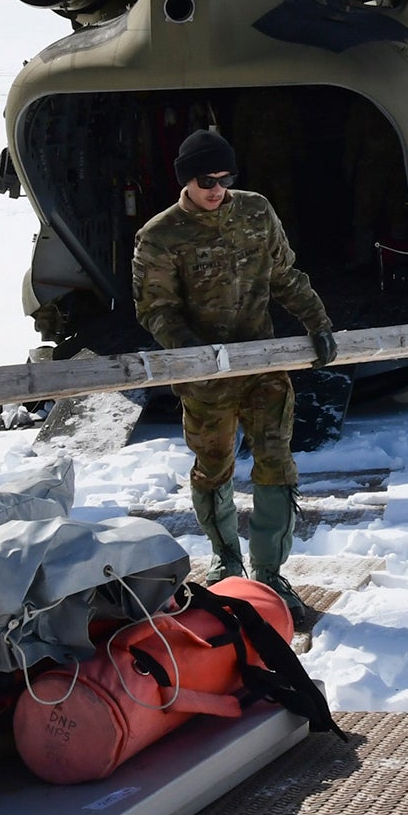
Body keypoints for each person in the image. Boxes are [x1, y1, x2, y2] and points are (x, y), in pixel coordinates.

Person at [129, 129, 336, 598]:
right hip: (205, 378)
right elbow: (155, 308)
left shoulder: (256, 211)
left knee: (275, 462)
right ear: (186, 180)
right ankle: (226, 559)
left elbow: (283, 274)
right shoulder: (160, 236)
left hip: (262, 362)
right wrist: (193, 353)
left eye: (226, 177)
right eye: (206, 179)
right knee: (214, 464)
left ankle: (268, 573)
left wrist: (316, 321)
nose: (217, 188)